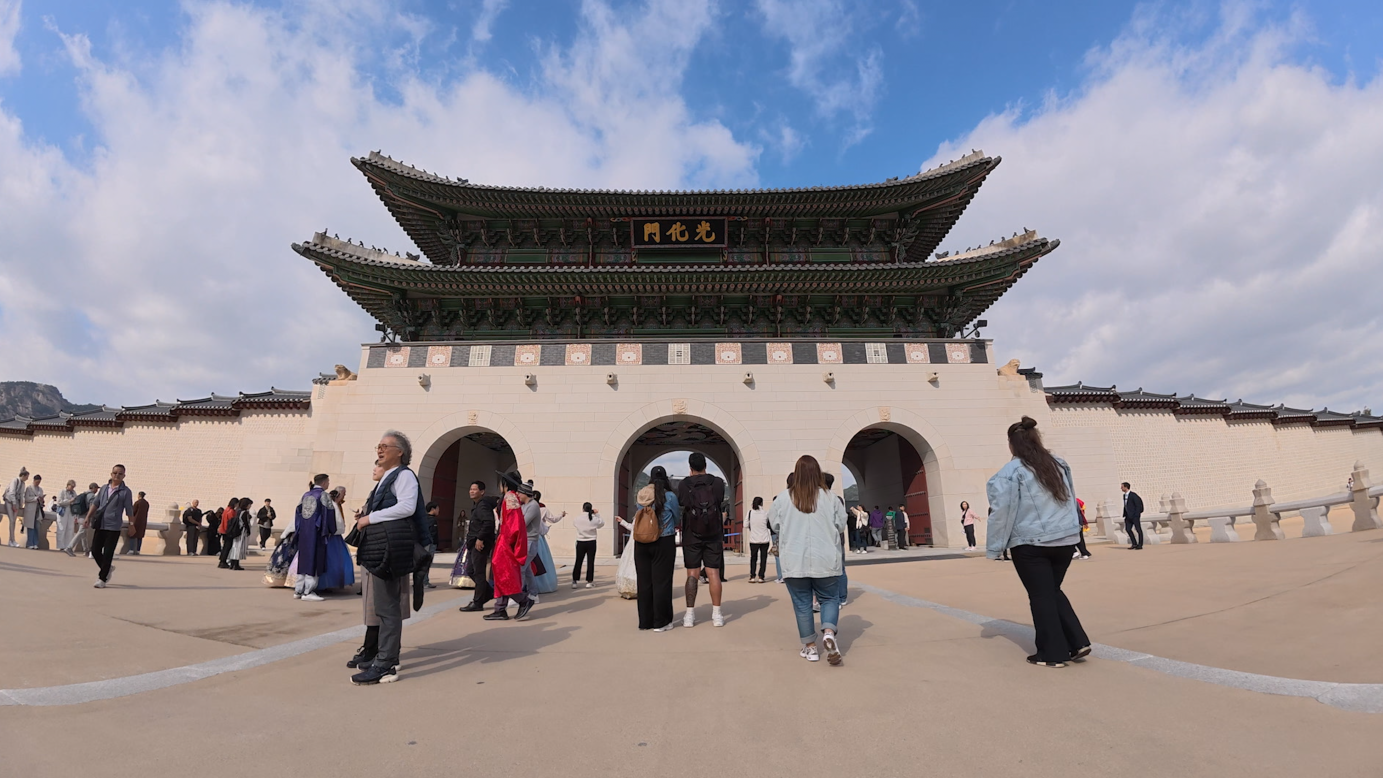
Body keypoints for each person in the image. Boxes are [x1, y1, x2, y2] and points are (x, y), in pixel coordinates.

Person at [986, 416, 1092, 668]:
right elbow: (1071, 499)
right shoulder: (1059, 464)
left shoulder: (1010, 473)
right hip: (1065, 541)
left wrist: (995, 548)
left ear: (1012, 445)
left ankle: (1052, 653)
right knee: (1051, 591)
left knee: (1041, 596)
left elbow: (1002, 512)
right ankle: (1077, 641)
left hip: (1031, 543)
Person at [352, 430, 429, 685]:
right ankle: (387, 659)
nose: (379, 449)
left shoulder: (404, 475)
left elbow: (407, 506)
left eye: (385, 446)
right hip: (383, 548)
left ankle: (385, 664)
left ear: (400, 452)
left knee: (387, 609)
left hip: (391, 550)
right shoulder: (389, 478)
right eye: (378, 446)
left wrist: (369, 518)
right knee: (386, 608)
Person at [769, 455, 847, 665]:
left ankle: (810, 648)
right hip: (826, 559)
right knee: (830, 598)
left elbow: (774, 525)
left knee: (802, 604)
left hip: (795, 560)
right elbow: (841, 525)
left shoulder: (783, 498)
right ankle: (829, 632)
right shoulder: (831, 498)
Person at [678, 452, 726, 628]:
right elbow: (720, 501)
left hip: (692, 534)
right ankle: (717, 614)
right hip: (713, 533)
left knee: (693, 574)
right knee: (713, 573)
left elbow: (682, 502)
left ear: (690, 467)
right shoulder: (718, 482)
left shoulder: (684, 484)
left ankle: (689, 615)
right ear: (706, 464)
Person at [629, 465, 679, 631]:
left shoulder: (642, 495)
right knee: (662, 582)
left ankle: (645, 621)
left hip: (641, 542)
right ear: (665, 478)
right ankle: (661, 621)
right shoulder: (670, 496)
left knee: (644, 583)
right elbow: (677, 518)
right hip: (663, 541)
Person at [485, 470, 534, 623]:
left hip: (506, 542)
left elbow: (515, 525)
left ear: (505, 484)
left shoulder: (510, 497)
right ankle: (500, 608)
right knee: (502, 574)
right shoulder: (509, 497)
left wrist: (512, 545)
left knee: (504, 575)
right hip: (504, 540)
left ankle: (523, 600)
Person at [85, 465, 135, 588]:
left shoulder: (125, 492)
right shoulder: (103, 488)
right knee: (95, 550)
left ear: (124, 476)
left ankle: (102, 578)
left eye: (120, 473)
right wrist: (88, 517)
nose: (117, 475)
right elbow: (96, 504)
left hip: (113, 526)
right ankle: (107, 568)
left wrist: (131, 524)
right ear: (111, 474)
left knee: (108, 553)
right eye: (115, 473)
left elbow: (129, 509)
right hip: (100, 523)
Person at [457, 480, 499, 612]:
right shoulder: (477, 505)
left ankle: (478, 602)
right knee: (471, 571)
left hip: (479, 544)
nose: (471, 491)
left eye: (474, 489)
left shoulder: (483, 506)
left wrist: (480, 538)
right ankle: (487, 593)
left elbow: (488, 523)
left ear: (482, 492)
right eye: (470, 489)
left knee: (478, 572)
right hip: (473, 543)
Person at [294, 475, 335, 600]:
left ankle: (299, 589)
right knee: (315, 560)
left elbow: (298, 512)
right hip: (317, 532)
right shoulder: (324, 495)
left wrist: (299, 529)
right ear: (323, 482)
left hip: (304, 532)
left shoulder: (305, 495)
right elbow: (329, 513)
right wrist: (330, 529)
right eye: (328, 481)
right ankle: (308, 591)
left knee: (304, 559)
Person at [532, 491, 562, 594]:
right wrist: (561, 515)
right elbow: (553, 519)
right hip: (539, 538)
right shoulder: (542, 509)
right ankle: (544, 584)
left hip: (532, 537)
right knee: (543, 561)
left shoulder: (528, 508)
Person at [571, 502, 603, 588]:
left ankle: (575, 580)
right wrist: (597, 514)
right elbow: (601, 523)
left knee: (578, 561)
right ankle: (589, 581)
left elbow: (574, 524)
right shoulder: (593, 518)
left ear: (583, 508)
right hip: (591, 541)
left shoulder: (578, 518)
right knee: (590, 562)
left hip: (580, 541)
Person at [66, 483, 99, 556]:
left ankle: (86, 550)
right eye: (96, 488)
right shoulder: (92, 496)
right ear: (93, 488)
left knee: (83, 533)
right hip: (86, 517)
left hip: (80, 516)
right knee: (81, 532)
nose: (97, 490)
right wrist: (91, 516)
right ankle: (69, 547)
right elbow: (91, 507)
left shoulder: (84, 494)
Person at [746, 496, 770, 583]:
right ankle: (761, 576)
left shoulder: (750, 513)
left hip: (754, 539)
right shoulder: (765, 513)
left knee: (753, 558)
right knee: (763, 558)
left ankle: (752, 576)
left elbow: (745, 525)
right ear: (761, 503)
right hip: (764, 539)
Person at [226, 497, 252, 570]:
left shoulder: (238, 511)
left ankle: (232, 563)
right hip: (241, 532)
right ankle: (236, 564)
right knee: (239, 548)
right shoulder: (245, 513)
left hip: (236, 532)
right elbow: (245, 523)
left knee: (235, 547)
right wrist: (248, 531)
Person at [4, 468, 27, 547]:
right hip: (10, 501)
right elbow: (12, 492)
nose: (27, 479)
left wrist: (20, 504)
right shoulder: (15, 480)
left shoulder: (23, 484)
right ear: (23, 476)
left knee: (13, 521)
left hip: (16, 503)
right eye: (26, 477)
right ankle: (11, 540)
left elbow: (21, 495)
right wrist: (14, 503)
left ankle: (12, 540)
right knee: (12, 520)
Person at [22, 474, 45, 549]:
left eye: (39, 482)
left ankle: (35, 543)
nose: (38, 483)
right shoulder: (29, 488)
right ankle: (30, 543)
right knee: (30, 527)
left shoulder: (40, 489)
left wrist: (41, 500)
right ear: (34, 480)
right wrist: (35, 499)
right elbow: (27, 499)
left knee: (37, 527)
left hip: (37, 510)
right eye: (37, 482)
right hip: (30, 509)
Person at [422, 501, 441, 589]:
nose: (438, 510)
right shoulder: (431, 520)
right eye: (437, 509)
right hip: (430, 544)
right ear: (433, 509)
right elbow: (432, 533)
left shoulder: (424, 518)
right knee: (427, 563)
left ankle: (421, 581)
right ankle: (425, 582)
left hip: (426, 543)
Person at [55, 480, 78, 551]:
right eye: (71, 486)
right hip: (63, 511)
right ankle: (61, 545)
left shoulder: (74, 493)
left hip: (71, 512)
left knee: (70, 529)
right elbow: (59, 502)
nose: (72, 488)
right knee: (62, 528)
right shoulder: (62, 491)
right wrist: (69, 501)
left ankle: (68, 546)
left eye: (73, 487)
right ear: (68, 485)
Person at [1121, 482, 1145, 550]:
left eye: (1122, 487)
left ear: (1126, 487)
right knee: (1128, 529)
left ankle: (1140, 544)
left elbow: (1138, 505)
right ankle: (1134, 543)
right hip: (1128, 516)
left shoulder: (1133, 495)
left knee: (1138, 530)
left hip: (1135, 516)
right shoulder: (1124, 496)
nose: (1121, 488)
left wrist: (1137, 514)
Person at [126, 491, 149, 555]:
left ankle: (131, 549)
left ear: (139, 495)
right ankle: (138, 550)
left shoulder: (137, 503)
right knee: (140, 536)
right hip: (143, 521)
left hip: (136, 521)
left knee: (133, 535)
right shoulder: (146, 503)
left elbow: (133, 512)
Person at [216, 498, 238, 568]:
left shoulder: (226, 510)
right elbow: (231, 522)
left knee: (225, 547)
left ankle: (222, 560)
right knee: (227, 547)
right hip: (228, 531)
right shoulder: (231, 511)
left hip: (223, 530)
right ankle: (223, 561)